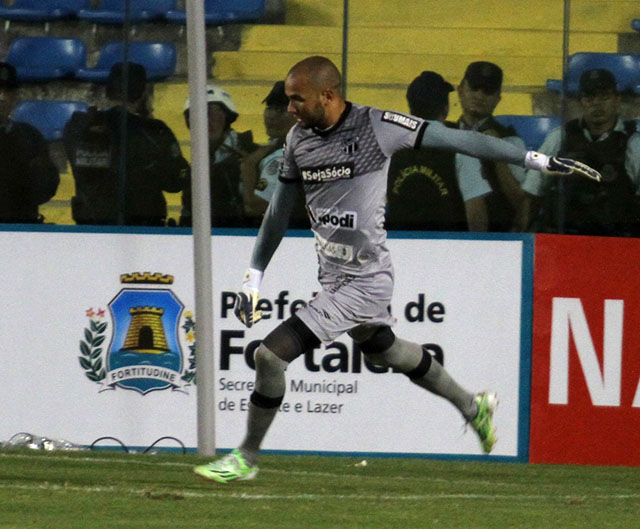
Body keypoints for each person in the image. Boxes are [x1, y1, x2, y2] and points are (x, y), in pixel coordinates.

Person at [193, 56, 600, 483]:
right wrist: (253, 277)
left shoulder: (376, 126)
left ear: (328, 95)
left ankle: (245, 458)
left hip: (364, 279)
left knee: (268, 355)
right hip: (333, 275)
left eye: (297, 99)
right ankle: (470, 404)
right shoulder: (299, 141)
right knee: (385, 349)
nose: (289, 107)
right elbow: (278, 212)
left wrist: (535, 159)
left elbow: (457, 140)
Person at [63, 62, 188, 226]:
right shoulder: (154, 131)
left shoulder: (80, 125)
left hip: (92, 226)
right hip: (144, 227)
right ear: (143, 93)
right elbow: (175, 182)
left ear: (108, 90)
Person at [521, 68, 640, 236]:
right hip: (564, 241)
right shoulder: (558, 138)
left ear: (616, 99)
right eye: (590, 97)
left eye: (604, 96)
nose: (597, 103)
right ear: (581, 102)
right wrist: (522, 235)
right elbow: (532, 192)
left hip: (616, 244)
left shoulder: (634, 144)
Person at [387, 71, 491, 231]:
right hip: (448, 247)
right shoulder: (461, 147)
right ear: (446, 108)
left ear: (410, 107)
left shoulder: (390, 146)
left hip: (399, 247)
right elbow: (475, 210)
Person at [0, 62, 59, 224]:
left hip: (23, 229)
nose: (2, 97)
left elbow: (46, 191)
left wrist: (42, 174)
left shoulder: (30, 136)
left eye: (9, 91)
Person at [456, 61, 527, 232]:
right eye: (474, 87)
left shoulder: (510, 141)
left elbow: (522, 205)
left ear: (497, 99)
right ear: (460, 90)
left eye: (488, 91)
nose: (479, 95)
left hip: (496, 238)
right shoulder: (443, 133)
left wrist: (499, 159)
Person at [181, 84, 257, 227]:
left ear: (227, 116)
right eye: (195, 114)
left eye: (210, 112)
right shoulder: (197, 164)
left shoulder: (253, 155)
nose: (204, 120)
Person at [240, 81, 308, 228]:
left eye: (280, 110)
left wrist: (248, 165)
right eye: (269, 108)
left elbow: (254, 207)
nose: (270, 116)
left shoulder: (285, 156)